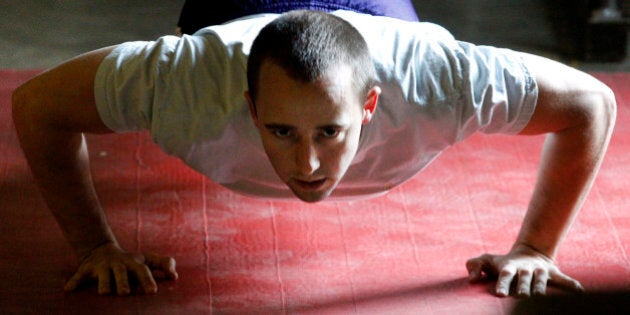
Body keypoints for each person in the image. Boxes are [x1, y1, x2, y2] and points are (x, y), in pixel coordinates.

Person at [11, 2, 616, 299]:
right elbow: (37, 107)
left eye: (330, 131)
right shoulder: (184, 82)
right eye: (280, 131)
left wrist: (536, 248)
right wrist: (95, 246)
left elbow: (591, 103)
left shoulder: (440, 82)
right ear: (248, 108)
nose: (307, 167)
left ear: (372, 107)